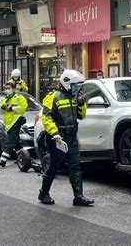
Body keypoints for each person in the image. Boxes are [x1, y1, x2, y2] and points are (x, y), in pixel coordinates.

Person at [38, 69, 94, 207]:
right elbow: (46, 117)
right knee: (54, 166)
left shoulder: (75, 97)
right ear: (67, 83)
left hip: (71, 136)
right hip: (58, 138)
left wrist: (81, 103)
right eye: (76, 85)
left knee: (75, 166)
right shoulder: (53, 97)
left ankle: (78, 197)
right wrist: (55, 133)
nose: (78, 88)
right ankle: (43, 193)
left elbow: (81, 115)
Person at [0, 81, 28, 167]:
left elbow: (23, 108)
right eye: (5, 89)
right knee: (16, 142)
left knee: (10, 141)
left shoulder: (19, 97)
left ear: (13, 89)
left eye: (8, 88)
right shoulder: (4, 98)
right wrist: (3, 107)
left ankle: (3, 160)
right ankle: (22, 157)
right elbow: (0, 111)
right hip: (8, 124)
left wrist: (12, 108)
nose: (7, 90)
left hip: (16, 121)